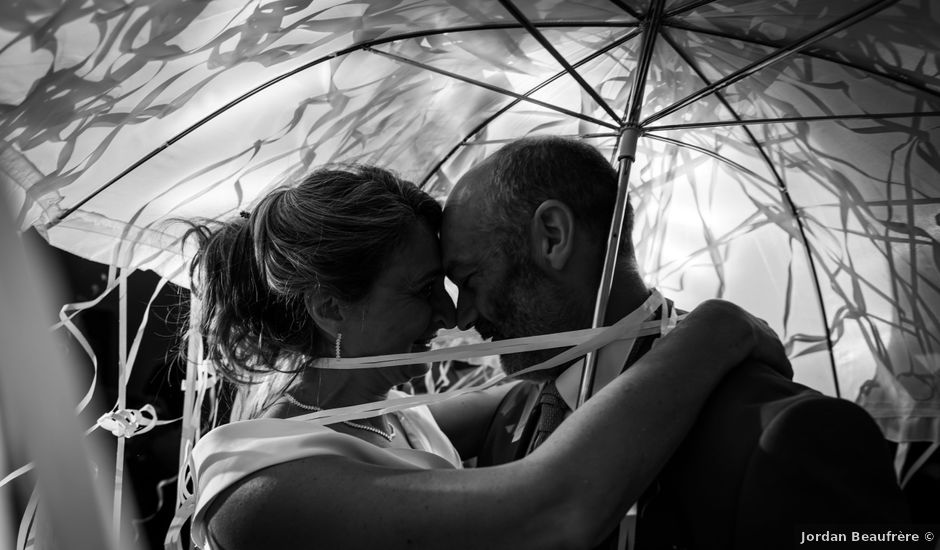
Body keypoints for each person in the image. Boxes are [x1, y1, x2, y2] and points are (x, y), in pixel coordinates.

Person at [181, 164, 791, 550]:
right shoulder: (258, 487)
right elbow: (549, 511)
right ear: (331, 309)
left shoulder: (394, 418)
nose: (452, 318)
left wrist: (647, 321)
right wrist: (716, 329)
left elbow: (552, 379)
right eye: (424, 293)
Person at [440, 136, 911, 550]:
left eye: (471, 278)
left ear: (552, 236)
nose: (462, 317)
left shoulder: (791, 433)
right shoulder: (512, 418)